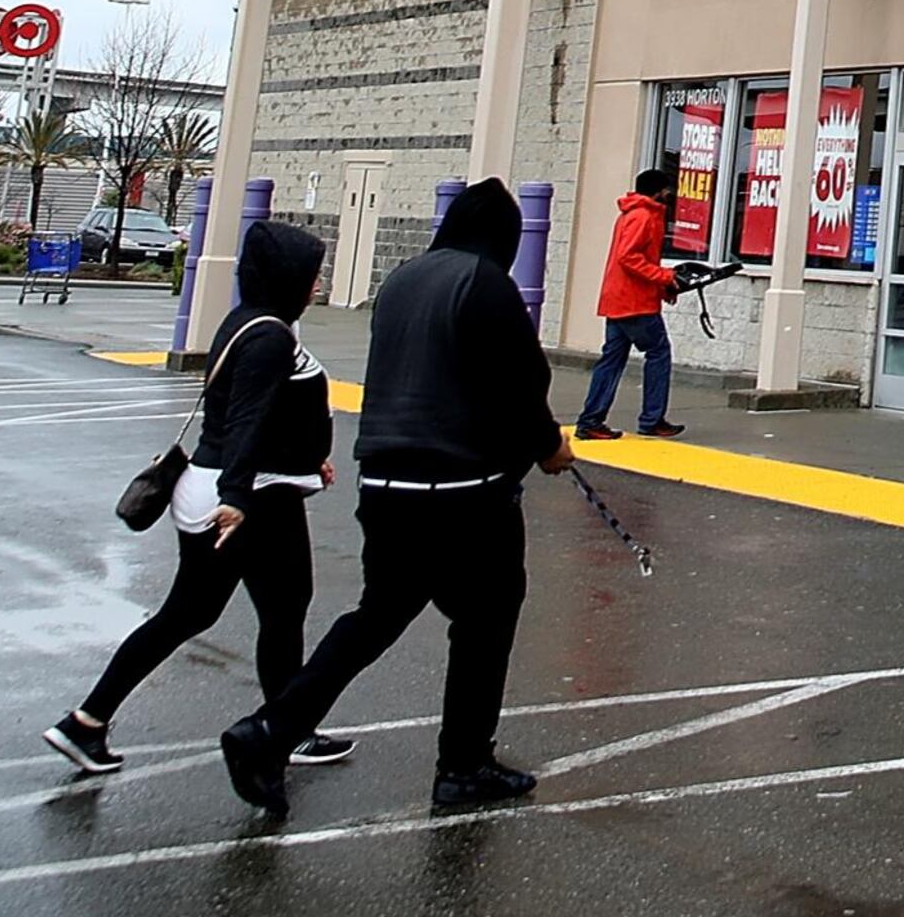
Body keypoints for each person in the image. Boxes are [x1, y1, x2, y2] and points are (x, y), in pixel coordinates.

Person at [220, 180, 569, 817]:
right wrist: (548, 446)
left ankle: (269, 731)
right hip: (463, 490)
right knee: (487, 620)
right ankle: (462, 763)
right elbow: (522, 380)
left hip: (384, 483)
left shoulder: (403, 280)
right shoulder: (486, 282)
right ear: (504, 238)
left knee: (375, 617)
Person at [45, 221, 352, 776]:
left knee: (250, 612)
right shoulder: (268, 337)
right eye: (310, 275)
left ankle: (91, 721)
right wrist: (237, 496)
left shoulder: (258, 323)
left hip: (249, 488)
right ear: (285, 277)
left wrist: (308, 457)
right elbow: (246, 420)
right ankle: (279, 728)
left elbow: (269, 412)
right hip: (245, 498)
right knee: (239, 612)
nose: (316, 285)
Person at [575, 164, 686, 441]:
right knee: (658, 352)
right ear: (659, 191)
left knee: (611, 360)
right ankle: (652, 418)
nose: (669, 195)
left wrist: (662, 286)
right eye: (667, 189)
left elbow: (631, 260)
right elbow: (630, 257)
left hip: (618, 299)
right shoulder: (644, 216)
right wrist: (665, 277)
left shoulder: (630, 214)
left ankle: (591, 420)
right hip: (635, 303)